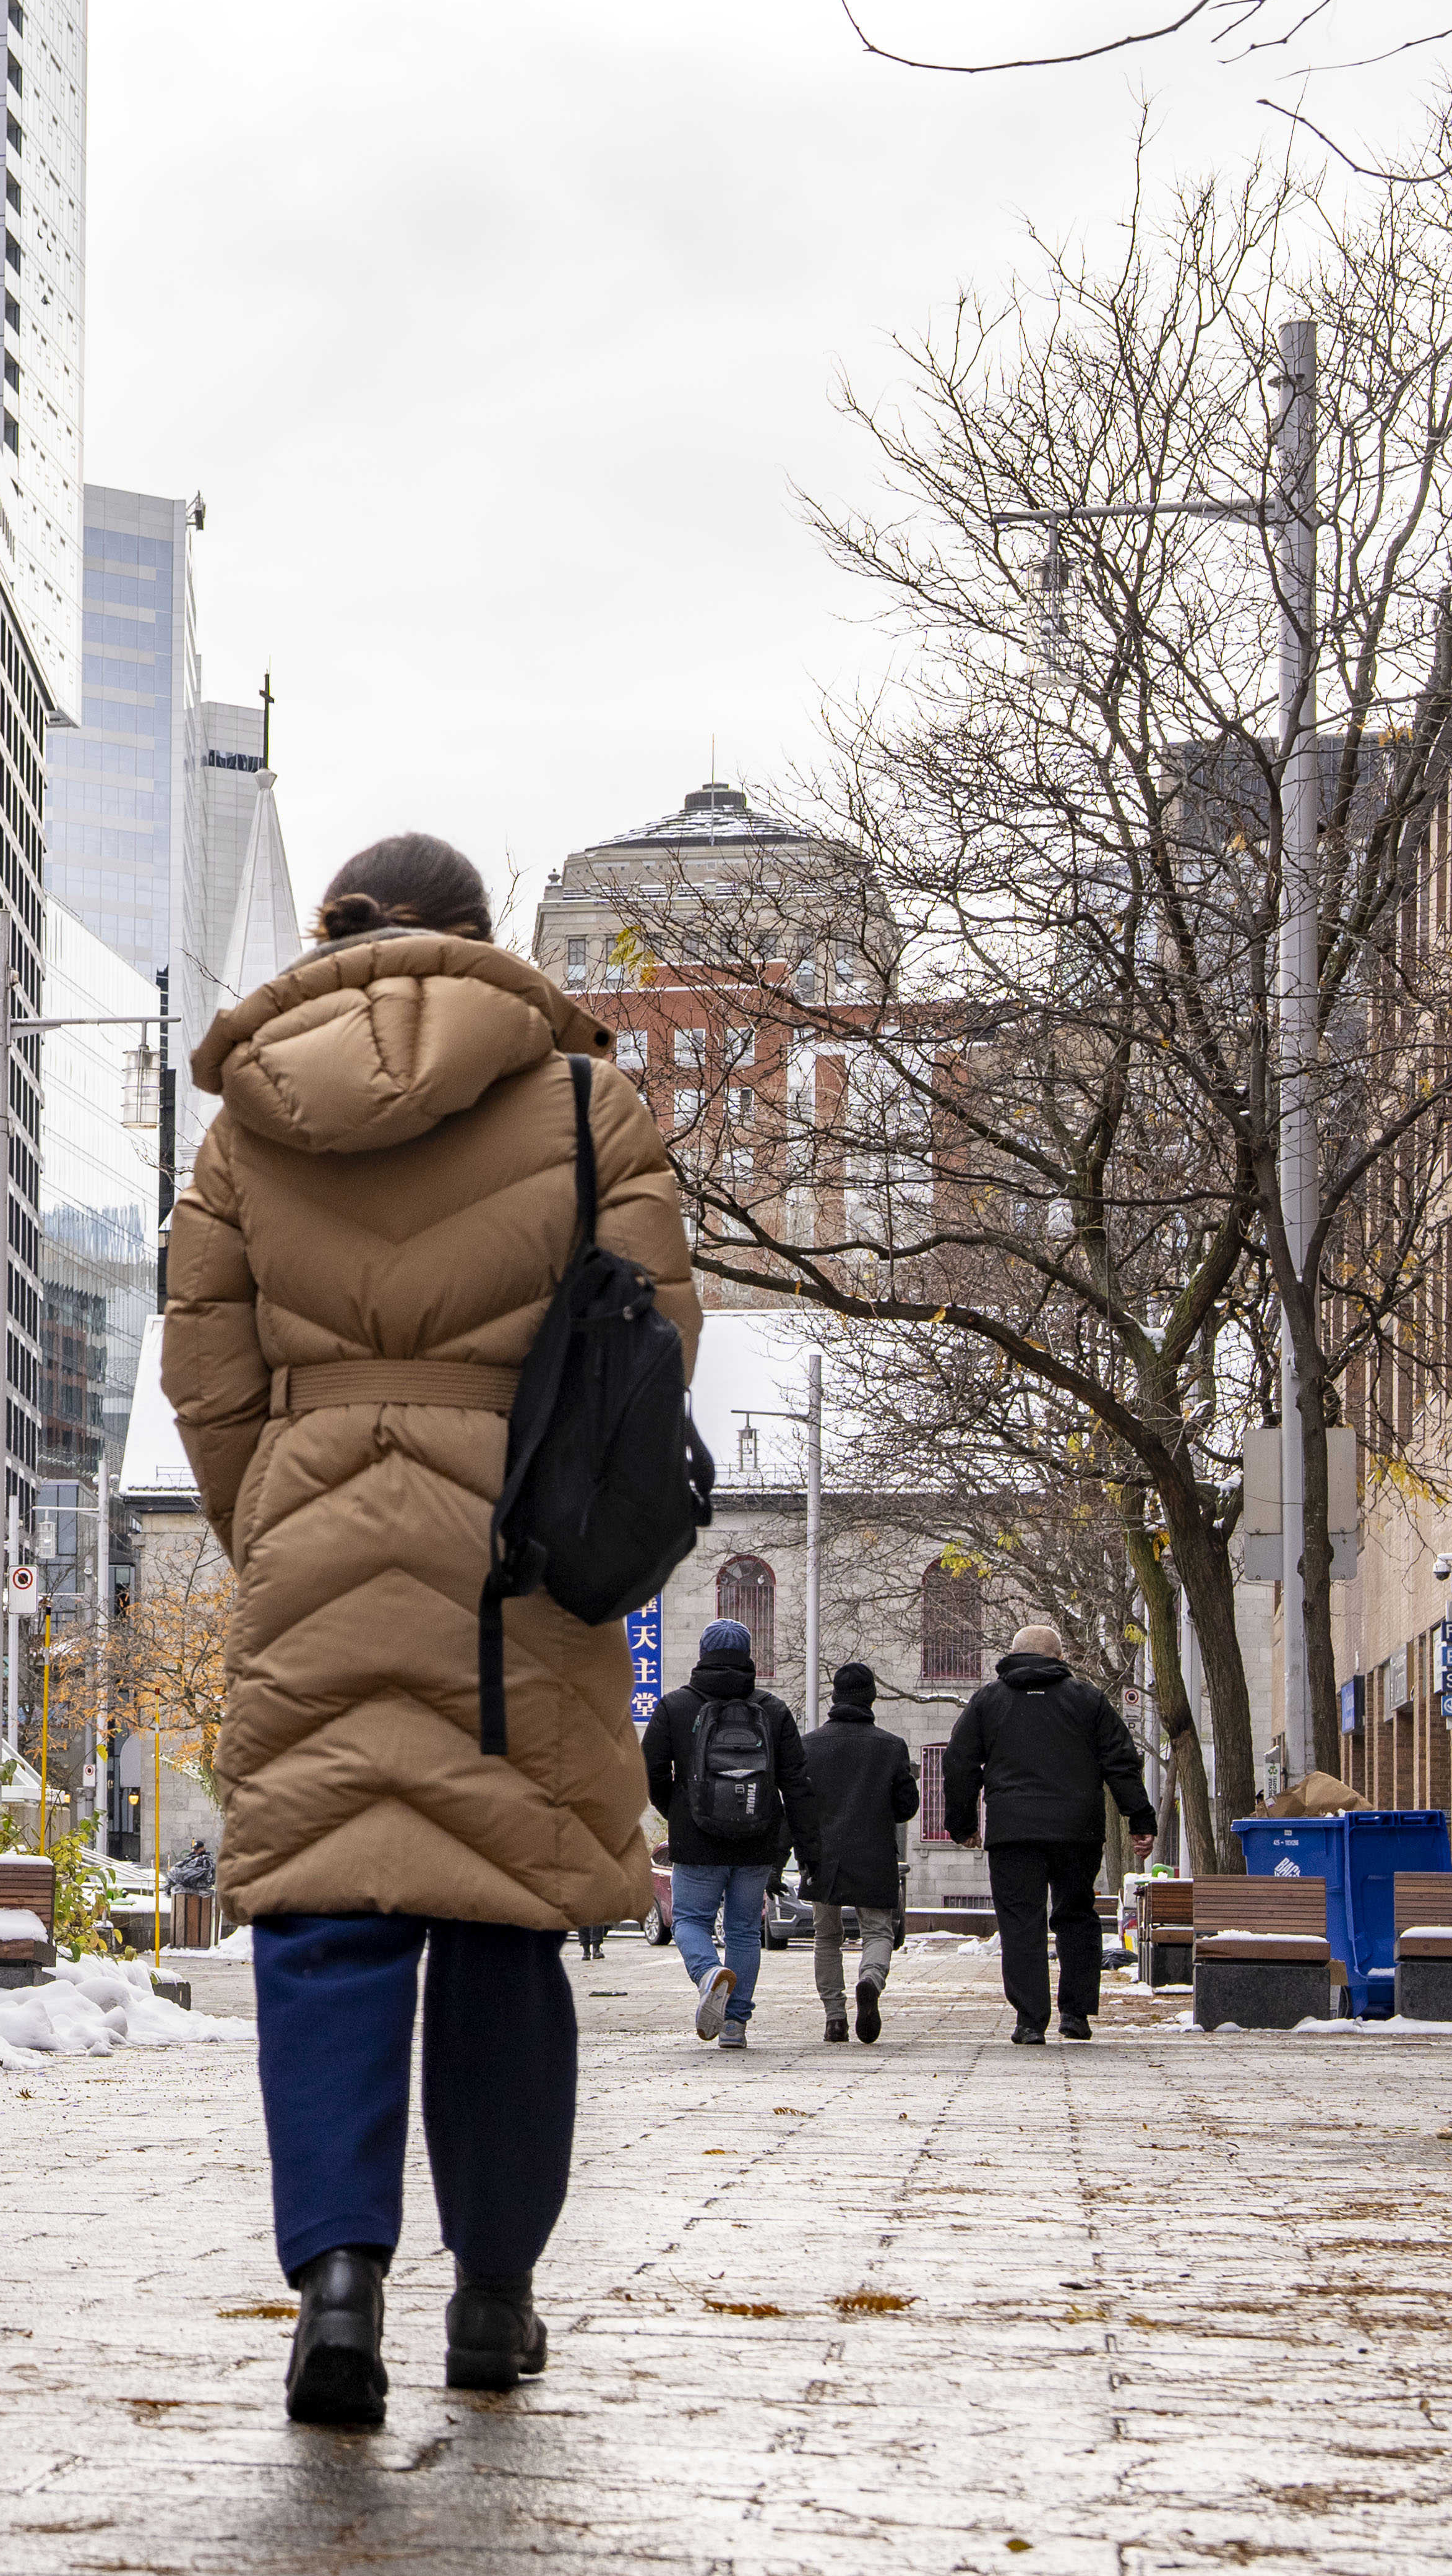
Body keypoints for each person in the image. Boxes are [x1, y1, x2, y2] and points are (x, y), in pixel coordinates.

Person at [163, 834, 695, 2431]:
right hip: (516, 1547)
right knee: (501, 1913)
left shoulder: (248, 1115)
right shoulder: (588, 1103)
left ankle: (336, 2281)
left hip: (316, 1516)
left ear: (339, 930)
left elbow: (204, 1362)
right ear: (481, 934)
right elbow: (653, 1331)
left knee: (326, 1919)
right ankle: (493, 2294)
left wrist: (279, 1508)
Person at [943, 1619, 1156, 2043]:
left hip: (1012, 1830)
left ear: (1013, 1653)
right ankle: (1075, 2014)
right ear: (1059, 1658)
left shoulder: (988, 1700)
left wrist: (962, 1824)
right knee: (1076, 1915)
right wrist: (1140, 1819)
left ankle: (1029, 2019)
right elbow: (1121, 1760)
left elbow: (958, 1762)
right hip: (1076, 1829)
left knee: (1021, 1920)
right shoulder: (1087, 1700)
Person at [642, 1617, 811, 2050]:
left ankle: (707, 1974)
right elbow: (796, 1784)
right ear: (747, 1656)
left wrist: (678, 1811)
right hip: (756, 1840)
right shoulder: (771, 1710)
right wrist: (807, 1846)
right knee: (742, 1930)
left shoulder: (675, 1707)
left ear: (702, 1654)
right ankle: (735, 2024)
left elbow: (650, 1772)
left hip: (696, 1841)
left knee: (689, 1920)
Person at [797, 1662, 919, 2045]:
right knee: (878, 1931)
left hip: (823, 1857)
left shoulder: (809, 1745)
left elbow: (798, 1807)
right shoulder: (891, 1746)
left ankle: (835, 2019)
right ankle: (870, 1980)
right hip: (874, 1855)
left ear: (834, 1697)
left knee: (826, 1936)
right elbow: (906, 1808)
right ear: (871, 1697)